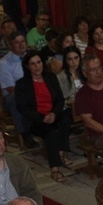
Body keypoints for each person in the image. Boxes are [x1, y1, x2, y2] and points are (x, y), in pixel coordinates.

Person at [15, 51, 73, 183]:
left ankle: (61, 152)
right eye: (33, 64)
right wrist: (42, 117)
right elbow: (22, 108)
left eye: (39, 62)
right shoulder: (22, 84)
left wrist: (53, 113)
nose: (37, 66)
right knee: (51, 132)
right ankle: (55, 169)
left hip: (52, 114)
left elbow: (60, 99)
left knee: (66, 118)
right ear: (27, 66)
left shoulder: (51, 77)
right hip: (36, 119)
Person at [0, 32, 36, 146]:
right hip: (12, 97)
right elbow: (11, 89)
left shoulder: (32, 58)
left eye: (23, 41)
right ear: (10, 45)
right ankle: (25, 133)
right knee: (17, 98)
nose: (21, 44)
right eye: (17, 42)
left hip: (34, 91)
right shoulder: (4, 63)